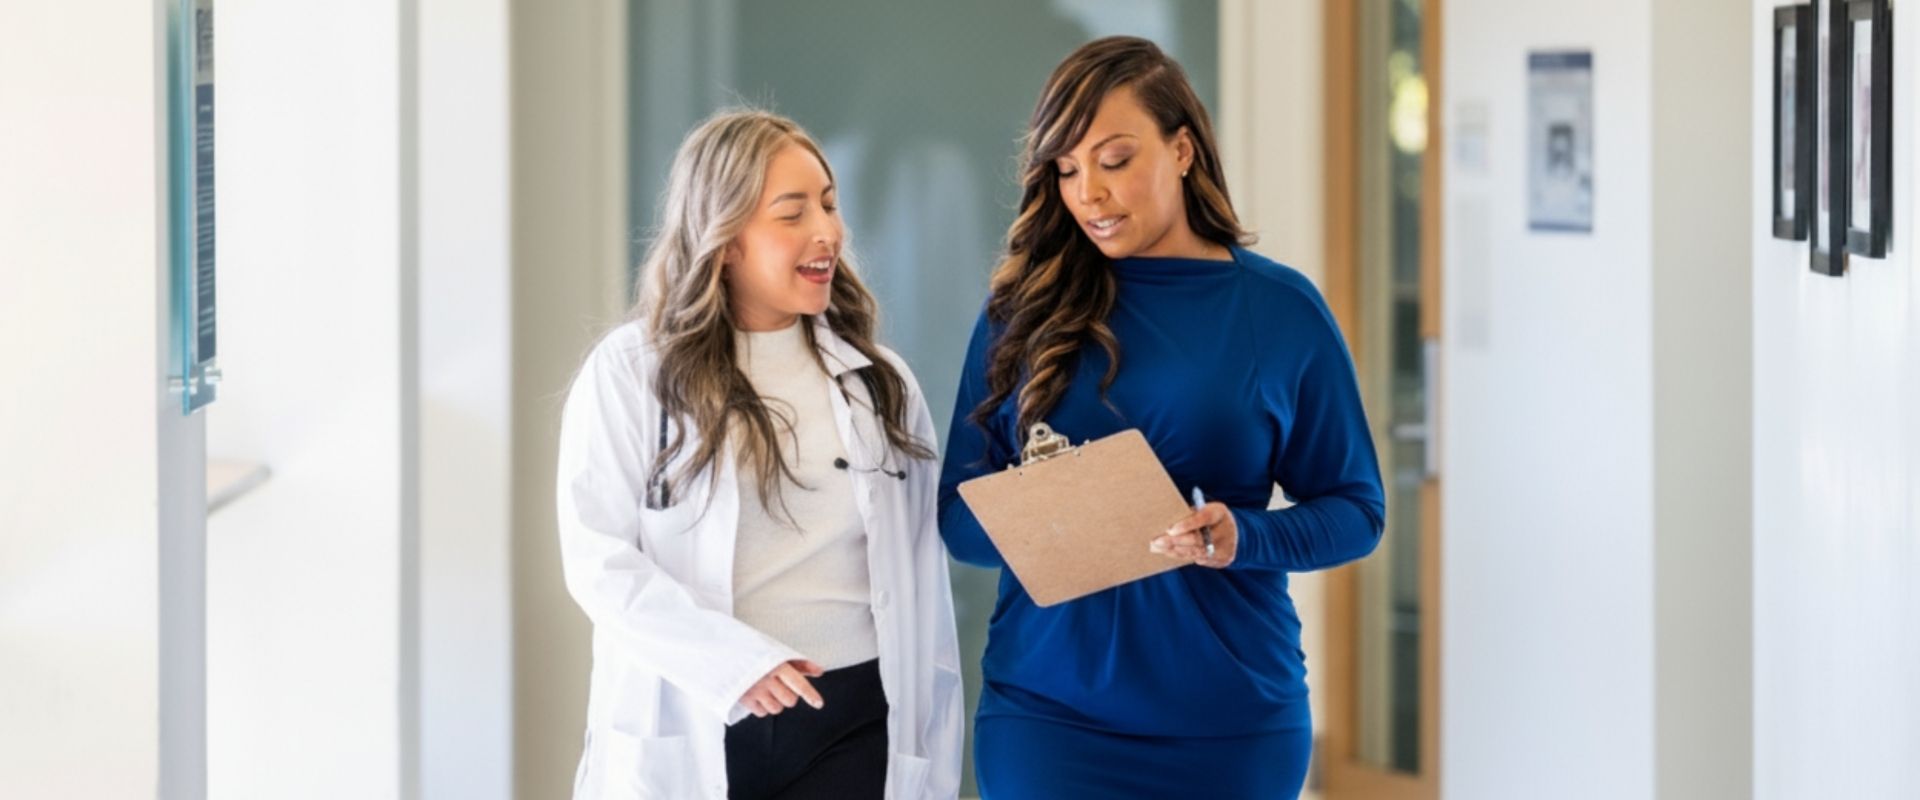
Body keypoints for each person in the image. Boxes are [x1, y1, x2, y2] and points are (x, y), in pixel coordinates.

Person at [936, 37, 1386, 798]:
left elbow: (1357, 512)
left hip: (1230, 726)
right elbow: (956, 519)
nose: (1089, 194)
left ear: (1182, 150)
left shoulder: (1280, 310)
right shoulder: (1019, 312)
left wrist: (1244, 537)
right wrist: (1070, 512)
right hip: (1047, 722)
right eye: (1066, 169)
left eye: (1114, 161)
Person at [557, 109, 963, 800]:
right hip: (700, 708)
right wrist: (733, 664)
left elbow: (922, 577)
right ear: (724, 241)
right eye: (792, 213)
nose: (827, 231)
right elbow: (598, 560)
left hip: (852, 722)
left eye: (829, 205)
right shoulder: (631, 372)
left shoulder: (879, 383)